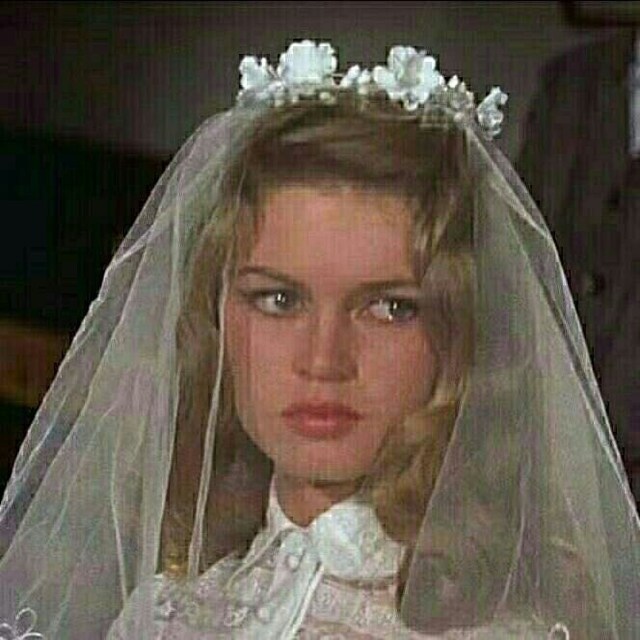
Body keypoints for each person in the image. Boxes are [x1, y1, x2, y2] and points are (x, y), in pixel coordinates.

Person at [0, 41, 638, 639]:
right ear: (217, 317)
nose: (323, 360)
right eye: (279, 300)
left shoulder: (507, 629)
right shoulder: (165, 612)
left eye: (389, 308)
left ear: (459, 330)